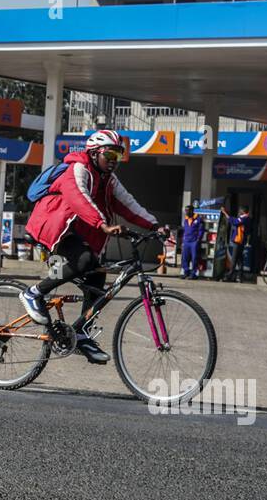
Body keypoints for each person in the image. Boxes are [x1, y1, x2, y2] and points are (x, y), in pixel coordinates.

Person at [21, 129, 165, 364]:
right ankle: (33, 293)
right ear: (95, 152)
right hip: (55, 225)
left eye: (118, 156)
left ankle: (81, 332)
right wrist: (103, 225)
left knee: (97, 275)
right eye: (109, 155)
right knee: (84, 260)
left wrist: (154, 225)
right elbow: (78, 197)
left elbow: (128, 204)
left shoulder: (109, 180)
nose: (113, 161)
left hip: (77, 231)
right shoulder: (78, 168)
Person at [225, 205, 252, 283]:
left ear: (243, 211)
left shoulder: (245, 219)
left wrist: (225, 213)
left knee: (234, 259)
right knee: (240, 260)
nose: (239, 212)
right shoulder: (246, 219)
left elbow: (234, 221)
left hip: (238, 241)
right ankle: (239, 277)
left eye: (240, 211)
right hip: (241, 242)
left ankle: (230, 276)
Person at [180, 205, 203, 279]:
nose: (186, 212)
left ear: (192, 211)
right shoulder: (186, 219)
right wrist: (183, 241)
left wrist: (198, 239)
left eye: (187, 210)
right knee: (185, 257)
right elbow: (185, 230)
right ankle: (186, 272)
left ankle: (193, 274)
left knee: (194, 258)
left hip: (194, 242)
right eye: (185, 210)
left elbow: (201, 230)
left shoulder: (198, 219)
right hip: (186, 241)